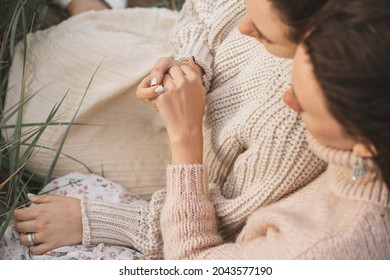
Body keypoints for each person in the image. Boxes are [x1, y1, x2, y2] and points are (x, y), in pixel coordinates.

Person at [4, 0, 328, 259]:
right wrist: (189, 64)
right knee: (45, 58)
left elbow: (225, 230)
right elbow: (204, 9)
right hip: (188, 90)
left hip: (192, 171)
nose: (243, 27)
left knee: (25, 131)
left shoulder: (299, 115)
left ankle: (92, 11)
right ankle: (89, 9)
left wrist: (98, 220)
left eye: (261, 31)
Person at [156, 0, 390, 259]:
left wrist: (185, 136)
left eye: (306, 106)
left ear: (366, 144)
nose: (288, 100)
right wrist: (193, 65)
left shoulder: (323, 246)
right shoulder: (363, 156)